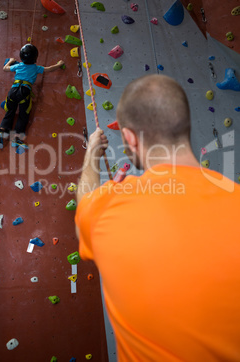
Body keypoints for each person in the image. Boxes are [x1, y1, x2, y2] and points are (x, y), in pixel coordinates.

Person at [75, 74, 240, 361]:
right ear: (184, 128)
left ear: (129, 138)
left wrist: (91, 154)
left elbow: (83, 208)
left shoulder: (107, 207)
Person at [0, 43, 64, 149]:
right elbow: (49, 69)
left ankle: (1, 133)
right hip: (24, 92)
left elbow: (5, 68)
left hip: (13, 90)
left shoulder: (19, 65)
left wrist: (11, 60)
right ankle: (16, 139)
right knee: (23, 115)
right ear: (35, 58)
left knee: (10, 112)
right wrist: (59, 64)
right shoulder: (36, 68)